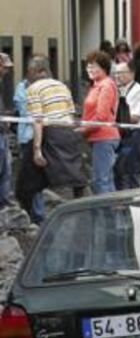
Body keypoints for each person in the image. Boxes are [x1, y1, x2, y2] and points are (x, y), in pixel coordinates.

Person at [15, 55, 86, 219]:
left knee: (25, 185)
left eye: (29, 72)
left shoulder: (33, 89)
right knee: (75, 178)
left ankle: (35, 218)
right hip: (68, 133)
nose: (27, 76)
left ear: (36, 71)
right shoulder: (62, 86)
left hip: (50, 134)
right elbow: (70, 112)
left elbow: (38, 120)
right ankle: (80, 210)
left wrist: (37, 149)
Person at [79, 50, 120, 194]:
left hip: (103, 137)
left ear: (103, 67)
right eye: (88, 66)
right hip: (98, 137)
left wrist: (82, 129)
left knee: (101, 181)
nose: (89, 69)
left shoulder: (106, 86)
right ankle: (111, 213)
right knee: (104, 179)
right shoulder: (98, 85)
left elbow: (101, 116)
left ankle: (106, 215)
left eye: (93, 66)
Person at [13, 62, 45, 224]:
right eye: (31, 71)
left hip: (38, 138)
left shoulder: (43, 88)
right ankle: (29, 212)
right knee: (26, 177)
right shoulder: (21, 87)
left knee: (35, 178)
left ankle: (38, 215)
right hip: (26, 137)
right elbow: (25, 109)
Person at [114, 61, 140, 190]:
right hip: (122, 135)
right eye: (116, 73)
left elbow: (135, 118)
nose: (117, 76)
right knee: (120, 171)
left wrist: (113, 119)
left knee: (132, 172)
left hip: (136, 135)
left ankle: (134, 204)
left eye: (121, 73)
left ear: (132, 73)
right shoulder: (119, 90)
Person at [0, 53, 13, 210]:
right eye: (5, 67)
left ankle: (4, 201)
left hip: (2, 131)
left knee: (6, 169)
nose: (7, 71)